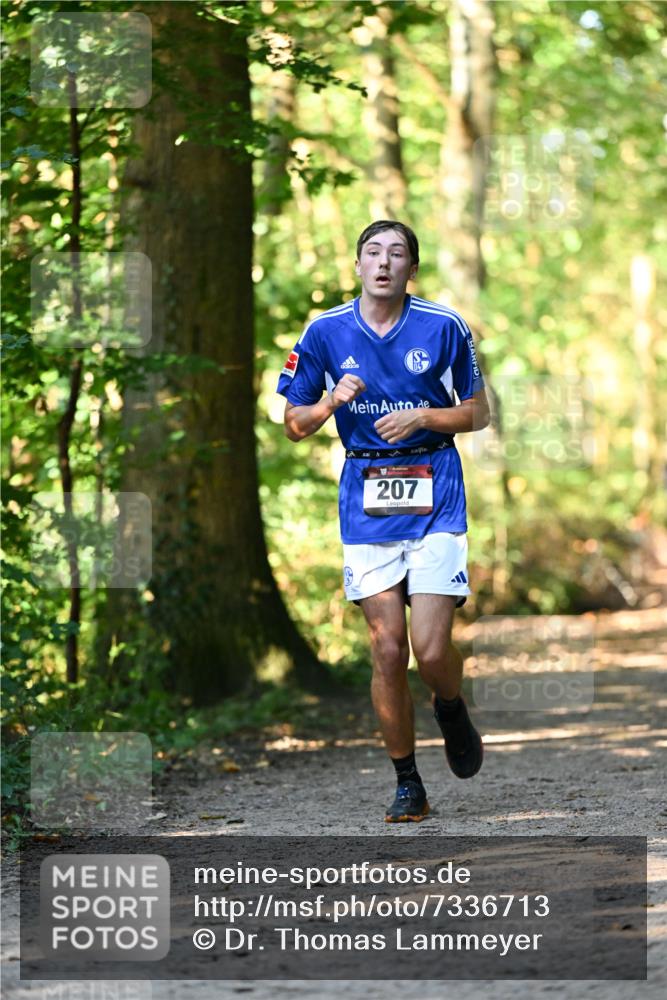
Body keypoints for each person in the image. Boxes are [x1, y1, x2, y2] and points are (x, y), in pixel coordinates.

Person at [276, 220, 490, 822]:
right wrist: (330, 402)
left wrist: (424, 416)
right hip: (365, 495)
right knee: (388, 648)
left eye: (397, 254)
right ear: (357, 265)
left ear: (411, 269)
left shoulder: (443, 326)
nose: (384, 262)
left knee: (430, 648)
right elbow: (293, 425)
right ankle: (407, 782)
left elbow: (479, 413)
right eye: (373, 252)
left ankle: (450, 705)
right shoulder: (324, 332)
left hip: (435, 488)